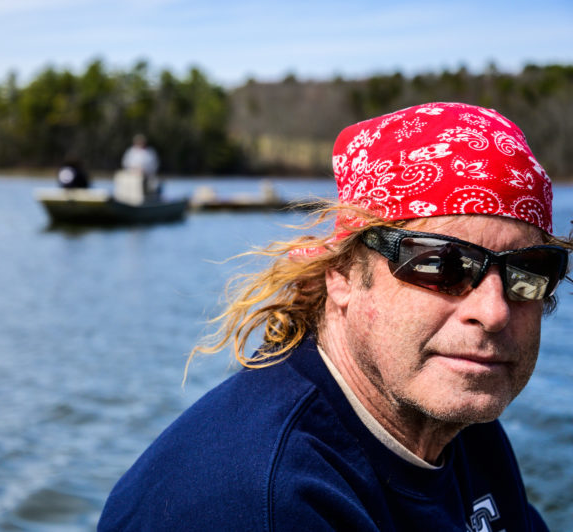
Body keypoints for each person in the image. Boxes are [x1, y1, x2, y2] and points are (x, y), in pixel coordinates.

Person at [99, 102, 571, 531]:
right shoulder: (262, 505)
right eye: (440, 264)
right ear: (343, 273)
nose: (493, 311)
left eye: (527, 271)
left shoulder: (467, 429)